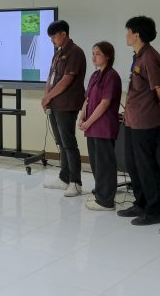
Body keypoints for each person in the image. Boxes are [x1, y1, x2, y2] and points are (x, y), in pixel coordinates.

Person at [117, 16, 160, 226]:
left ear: (136, 34)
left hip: (145, 120)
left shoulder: (150, 57)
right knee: (133, 164)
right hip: (133, 119)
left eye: (128, 31)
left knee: (146, 165)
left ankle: (153, 210)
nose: (126, 35)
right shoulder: (139, 56)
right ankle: (140, 203)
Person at [41, 20, 86, 197]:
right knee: (60, 142)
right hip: (54, 103)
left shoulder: (75, 52)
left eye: (54, 36)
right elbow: (50, 77)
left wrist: (49, 97)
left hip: (67, 104)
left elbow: (66, 80)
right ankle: (64, 177)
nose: (52, 40)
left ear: (63, 34)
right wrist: (46, 97)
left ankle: (76, 182)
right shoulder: (58, 53)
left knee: (69, 143)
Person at [79, 42, 122, 211]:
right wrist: (82, 116)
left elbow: (105, 103)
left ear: (108, 56)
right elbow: (87, 99)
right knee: (96, 163)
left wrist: (88, 122)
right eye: (93, 53)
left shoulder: (112, 76)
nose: (94, 57)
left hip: (103, 127)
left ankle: (106, 201)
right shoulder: (95, 75)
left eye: (97, 54)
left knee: (105, 164)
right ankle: (100, 194)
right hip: (92, 127)